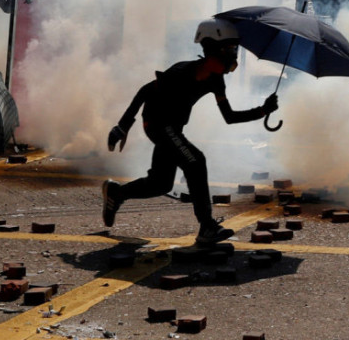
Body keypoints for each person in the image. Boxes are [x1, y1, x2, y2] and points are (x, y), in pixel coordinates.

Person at [101, 18, 278, 244]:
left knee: (160, 184)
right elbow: (145, 91)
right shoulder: (181, 72)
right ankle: (207, 227)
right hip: (156, 123)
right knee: (195, 161)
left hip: (172, 129)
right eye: (229, 49)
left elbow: (229, 117)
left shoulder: (216, 80)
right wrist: (122, 126)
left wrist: (263, 110)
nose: (233, 55)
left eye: (235, 49)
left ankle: (116, 193)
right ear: (211, 49)